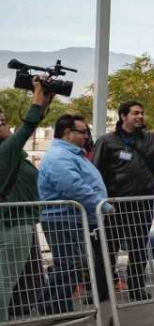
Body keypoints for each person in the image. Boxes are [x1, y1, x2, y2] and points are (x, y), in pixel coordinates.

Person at [93, 100, 154, 302]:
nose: (140, 116)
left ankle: (136, 287)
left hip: (142, 203)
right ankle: (101, 290)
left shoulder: (151, 139)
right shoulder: (107, 141)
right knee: (107, 248)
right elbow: (95, 171)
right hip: (115, 204)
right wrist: (102, 200)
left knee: (139, 246)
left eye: (142, 113)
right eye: (135, 113)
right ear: (123, 116)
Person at [37, 114, 112, 314]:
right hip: (63, 218)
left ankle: (57, 305)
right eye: (82, 132)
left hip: (72, 217)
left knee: (74, 262)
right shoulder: (59, 156)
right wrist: (101, 205)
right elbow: (73, 186)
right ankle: (52, 306)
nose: (86, 136)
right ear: (68, 133)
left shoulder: (71, 154)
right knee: (71, 262)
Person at [0, 80, 53, 326]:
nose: (7, 124)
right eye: (1, 122)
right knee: (4, 280)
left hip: (15, 222)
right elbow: (28, 127)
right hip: (12, 223)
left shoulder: (10, 153)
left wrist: (45, 99)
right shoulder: (4, 152)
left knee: (5, 279)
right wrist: (36, 96)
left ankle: (5, 324)